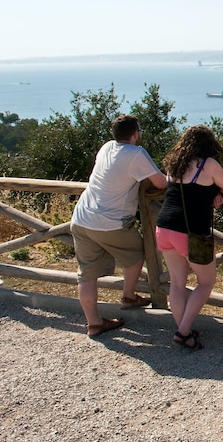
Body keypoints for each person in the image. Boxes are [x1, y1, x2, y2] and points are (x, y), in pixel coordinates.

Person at [71, 114, 167, 337]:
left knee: (86, 274)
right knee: (136, 255)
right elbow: (161, 183)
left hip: (82, 217)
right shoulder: (136, 153)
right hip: (111, 222)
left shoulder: (106, 148)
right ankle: (128, 296)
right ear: (135, 134)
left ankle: (93, 323)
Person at [155, 125, 223, 350]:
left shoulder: (174, 163)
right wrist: (215, 193)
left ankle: (185, 330)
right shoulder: (207, 164)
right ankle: (182, 332)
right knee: (206, 282)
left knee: (177, 283)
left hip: (163, 227)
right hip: (189, 231)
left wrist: (210, 194)